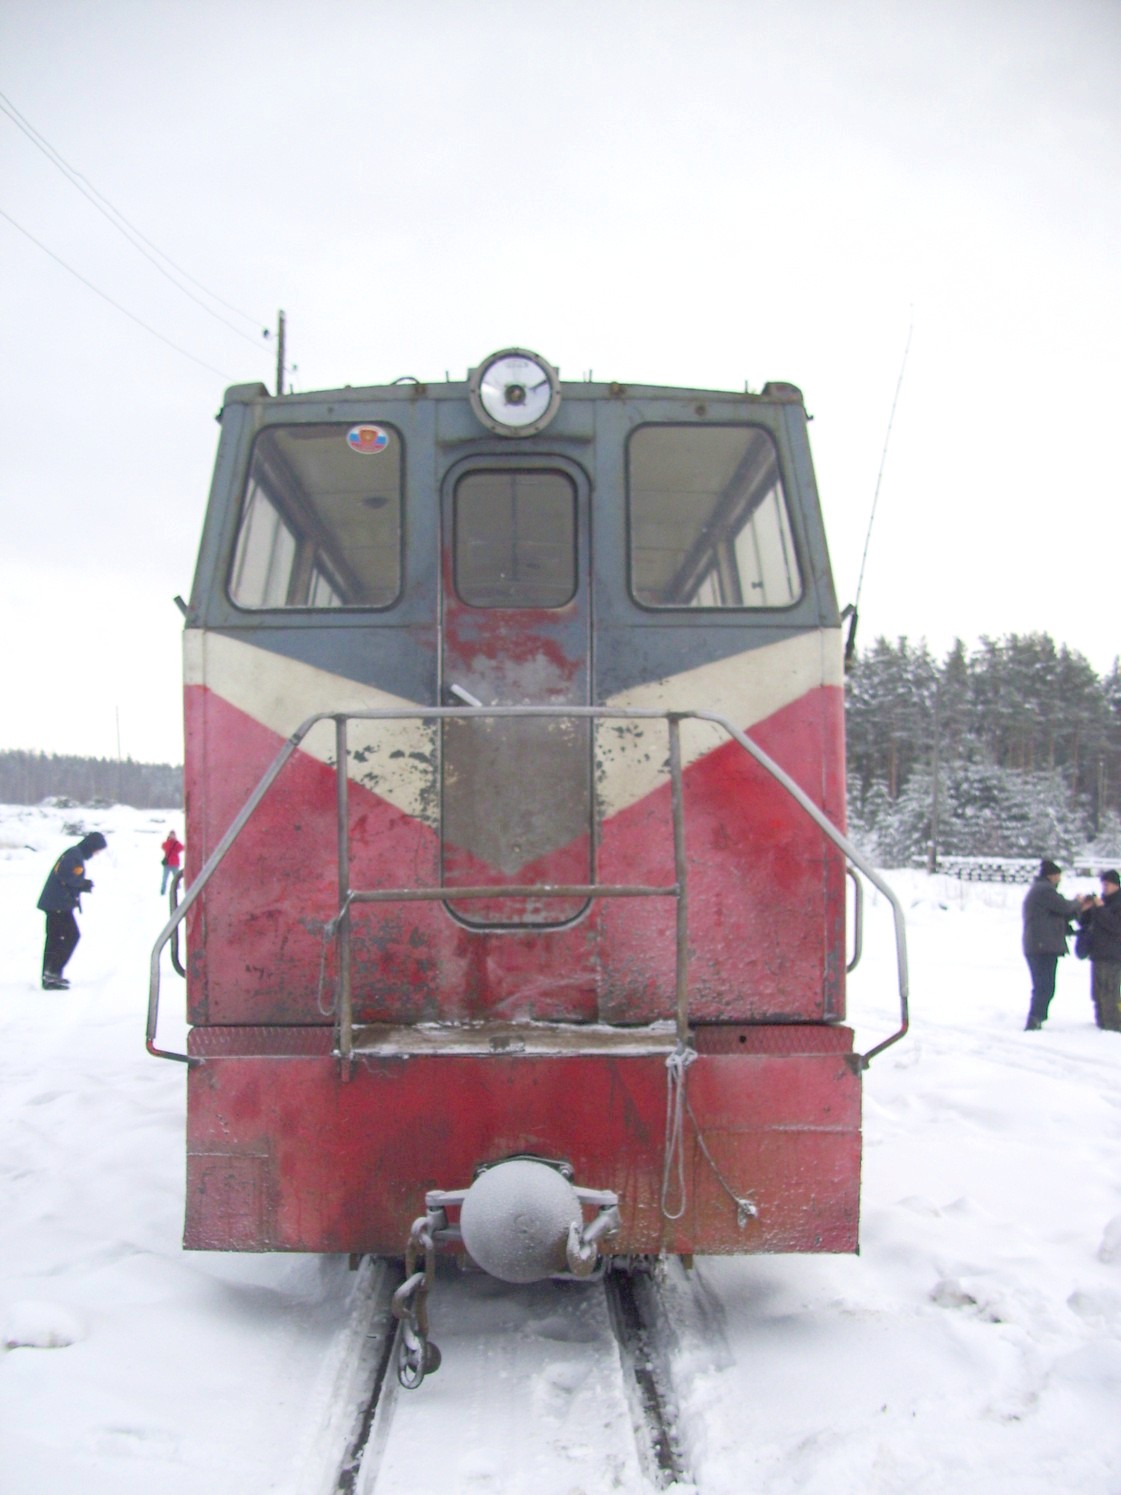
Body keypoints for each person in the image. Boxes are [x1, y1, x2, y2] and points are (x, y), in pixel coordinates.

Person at [1021, 859, 1091, 1030]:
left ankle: (1037, 1017)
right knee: (1044, 985)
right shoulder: (1045, 890)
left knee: (1043, 985)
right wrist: (1078, 902)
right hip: (1042, 946)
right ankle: (1035, 1018)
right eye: (1058, 876)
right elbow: (1064, 907)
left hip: (1039, 945)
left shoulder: (1039, 890)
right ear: (1052, 876)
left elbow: (1057, 915)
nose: (1059, 880)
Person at [36, 831, 107, 990]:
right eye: (97, 850)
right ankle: (52, 973)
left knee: (55, 939)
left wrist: (81, 884)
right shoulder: (74, 855)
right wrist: (82, 884)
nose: (96, 854)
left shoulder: (75, 854)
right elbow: (64, 875)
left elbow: (68, 877)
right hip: (57, 905)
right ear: (91, 846)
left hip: (56, 903)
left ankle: (51, 975)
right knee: (70, 936)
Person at [1076, 869, 1121, 1031]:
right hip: (1097, 953)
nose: (1104, 888)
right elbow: (1085, 924)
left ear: (1116, 885)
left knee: (1111, 992)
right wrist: (1086, 909)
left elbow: (1115, 926)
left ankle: (1115, 1024)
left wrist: (1101, 908)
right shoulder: (1102, 902)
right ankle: (1101, 1021)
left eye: (1107, 884)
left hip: (1113, 955)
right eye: (1103, 884)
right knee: (1097, 993)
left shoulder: (1117, 903)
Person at [160, 828, 184, 895]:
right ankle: (163, 889)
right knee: (165, 878)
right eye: (171, 835)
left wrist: (175, 841)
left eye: (173, 835)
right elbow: (163, 846)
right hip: (168, 863)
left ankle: (178, 889)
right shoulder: (167, 843)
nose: (172, 836)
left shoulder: (176, 844)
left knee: (176, 877)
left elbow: (182, 847)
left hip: (174, 863)